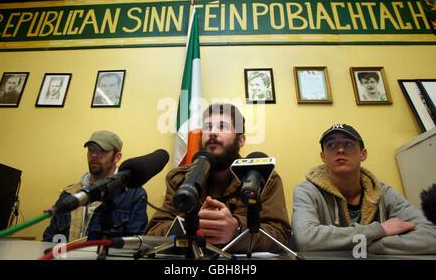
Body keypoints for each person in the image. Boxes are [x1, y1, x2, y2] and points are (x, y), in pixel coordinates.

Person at [145, 103, 291, 253]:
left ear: (240, 140)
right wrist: (191, 225)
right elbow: (153, 234)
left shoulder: (263, 177)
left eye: (222, 127)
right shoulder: (180, 178)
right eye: (207, 127)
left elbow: (280, 235)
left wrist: (237, 229)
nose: (212, 132)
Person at [292, 124, 436, 254]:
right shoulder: (306, 191)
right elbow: (305, 239)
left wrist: (370, 246)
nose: (340, 150)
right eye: (331, 145)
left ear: (363, 154)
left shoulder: (384, 193)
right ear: (323, 157)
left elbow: (431, 235)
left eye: (348, 144)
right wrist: (380, 230)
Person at [43, 130, 148, 242]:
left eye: (102, 151)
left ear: (117, 157)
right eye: (91, 150)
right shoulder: (69, 194)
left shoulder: (134, 195)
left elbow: (134, 244)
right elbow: (50, 239)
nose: (94, 155)